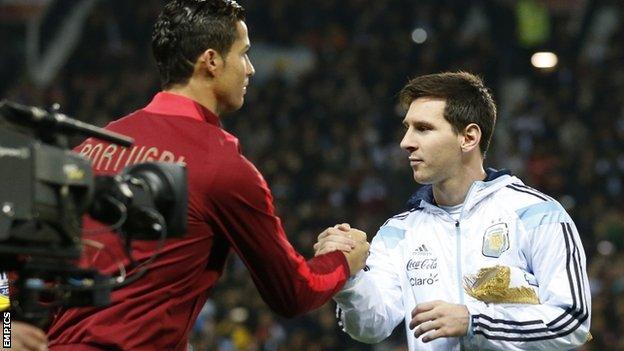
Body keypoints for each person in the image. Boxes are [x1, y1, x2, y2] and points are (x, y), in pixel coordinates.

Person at [46, 1, 369, 350]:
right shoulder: (222, 167)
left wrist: (5, 334)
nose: (251, 69)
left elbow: (9, 271)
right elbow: (293, 293)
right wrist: (344, 260)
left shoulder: (92, 147)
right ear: (211, 61)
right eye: (244, 54)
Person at [314, 72, 591, 350]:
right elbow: (371, 327)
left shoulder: (537, 214)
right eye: (407, 128)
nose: (406, 142)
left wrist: (476, 322)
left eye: (423, 128)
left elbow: (572, 321)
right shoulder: (398, 232)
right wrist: (350, 277)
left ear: (468, 138)